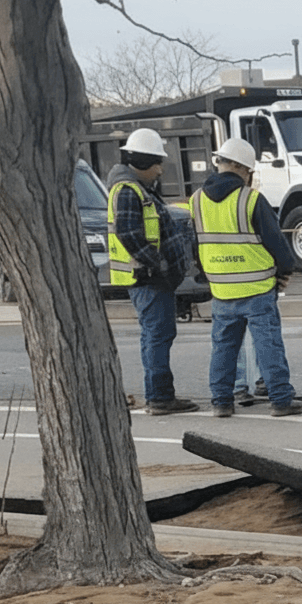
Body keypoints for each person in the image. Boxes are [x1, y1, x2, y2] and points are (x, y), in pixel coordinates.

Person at [189, 138, 302, 418]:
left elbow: (196, 244)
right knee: (268, 345)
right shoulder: (250, 199)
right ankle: (280, 400)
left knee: (223, 348)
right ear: (244, 168)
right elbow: (276, 243)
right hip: (257, 288)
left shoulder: (196, 201)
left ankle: (221, 402)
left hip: (221, 288)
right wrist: (285, 271)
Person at [107, 128, 200, 415]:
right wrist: (158, 263)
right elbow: (129, 234)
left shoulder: (138, 189)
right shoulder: (127, 190)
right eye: (157, 162)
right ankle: (160, 397)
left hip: (152, 278)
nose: (161, 169)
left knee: (157, 335)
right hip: (147, 278)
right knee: (157, 336)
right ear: (144, 161)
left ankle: (161, 394)